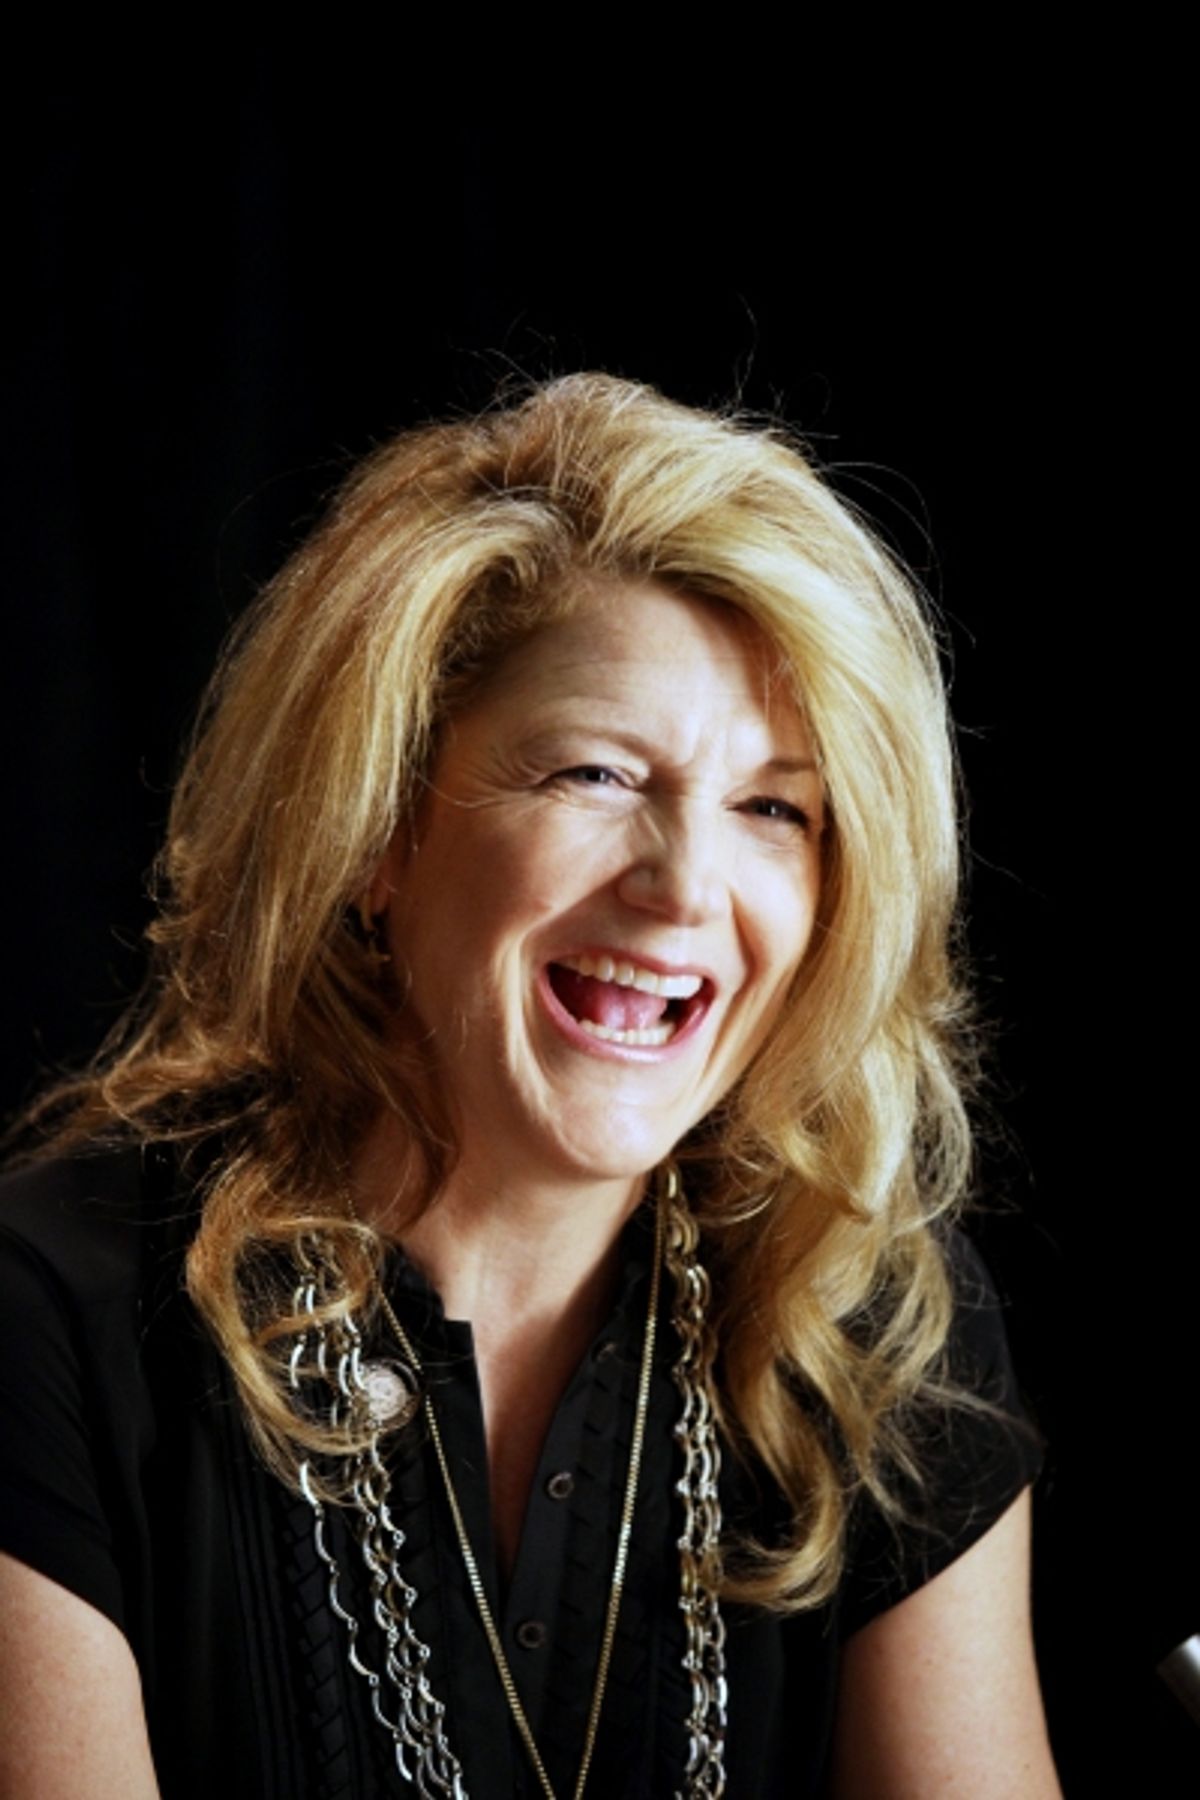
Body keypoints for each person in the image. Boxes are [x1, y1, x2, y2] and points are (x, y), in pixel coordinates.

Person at [0, 374, 1060, 1798]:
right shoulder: (47, 1318)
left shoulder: (866, 1311)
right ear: (378, 830)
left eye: (772, 809)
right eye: (595, 774)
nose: (686, 885)